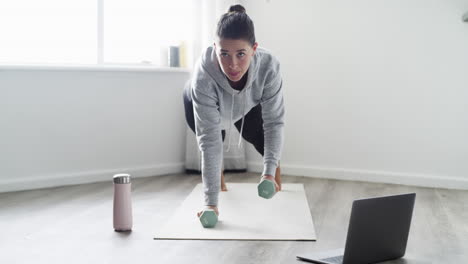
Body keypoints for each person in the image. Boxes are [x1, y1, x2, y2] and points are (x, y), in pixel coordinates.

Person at [183, 4, 285, 220]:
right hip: (198, 100)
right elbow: (209, 141)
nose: (233, 65)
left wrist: (267, 171)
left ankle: (273, 178)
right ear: (215, 48)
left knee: (257, 135)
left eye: (241, 54)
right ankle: (216, 190)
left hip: (245, 103)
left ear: (254, 49)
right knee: (214, 140)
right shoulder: (204, 76)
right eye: (224, 54)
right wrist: (210, 205)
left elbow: (274, 122)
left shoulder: (268, 67)